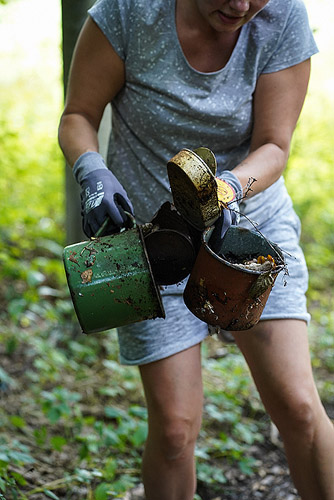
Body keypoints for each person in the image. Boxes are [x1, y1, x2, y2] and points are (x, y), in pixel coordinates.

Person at [58, 0, 334, 498]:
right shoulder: (126, 14)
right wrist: (91, 171)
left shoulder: (283, 18)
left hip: (245, 232)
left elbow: (274, 144)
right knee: (174, 431)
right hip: (148, 246)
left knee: (297, 408)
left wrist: (226, 188)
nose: (241, 6)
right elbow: (78, 114)